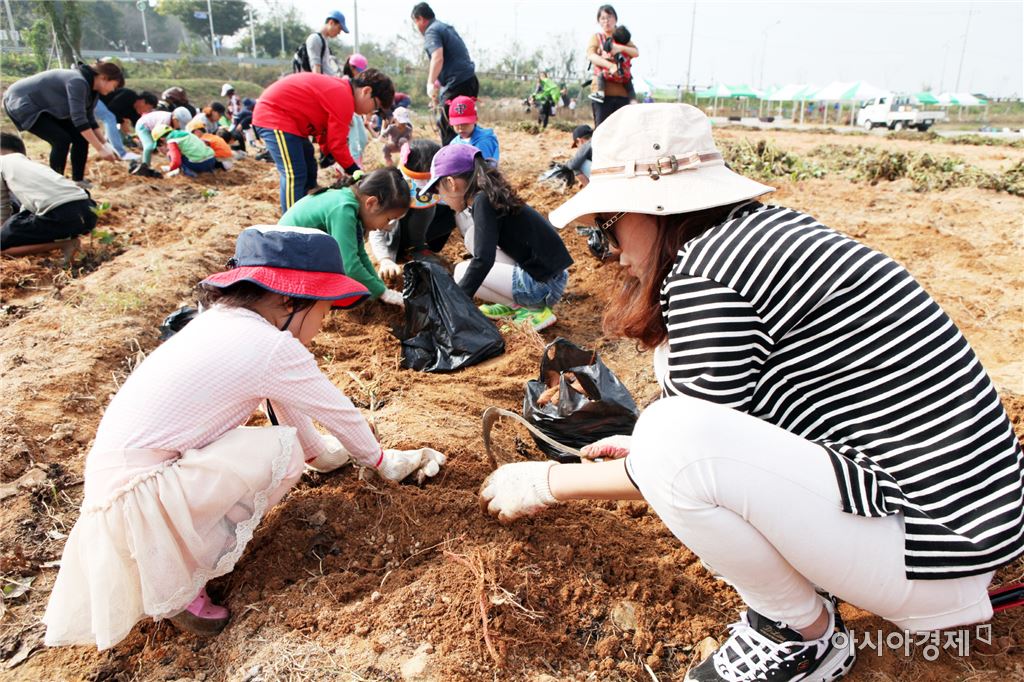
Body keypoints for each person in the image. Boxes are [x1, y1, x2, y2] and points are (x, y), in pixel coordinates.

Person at [480, 104, 1024, 682]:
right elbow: (753, 411)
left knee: (668, 433)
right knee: (666, 432)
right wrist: (648, 449)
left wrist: (545, 482)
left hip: (932, 555)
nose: (607, 249)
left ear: (654, 208)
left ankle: (800, 634)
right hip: (966, 522)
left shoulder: (710, 271)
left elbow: (686, 444)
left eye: (606, 226)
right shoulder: (752, 239)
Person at [41, 224, 446, 650]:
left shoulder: (223, 322)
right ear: (289, 299)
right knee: (277, 452)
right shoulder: (271, 347)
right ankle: (180, 578)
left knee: (284, 445)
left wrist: (322, 456)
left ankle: (173, 564)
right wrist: (382, 461)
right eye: (323, 312)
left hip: (116, 487)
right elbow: (338, 412)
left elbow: (282, 400)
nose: (322, 325)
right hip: (142, 496)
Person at [423, 144, 572, 331]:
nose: (442, 198)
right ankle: (514, 304)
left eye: (439, 191)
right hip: (550, 278)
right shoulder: (488, 195)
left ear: (452, 184)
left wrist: (455, 302)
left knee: (462, 270)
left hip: (541, 287)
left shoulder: (482, 201)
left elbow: (483, 260)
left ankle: (533, 310)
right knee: (472, 237)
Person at [252, 69, 395, 213]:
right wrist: (354, 170)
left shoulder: (342, 91)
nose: (371, 112)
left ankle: (305, 211)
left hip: (292, 124)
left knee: (309, 166)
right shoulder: (344, 97)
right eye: (376, 107)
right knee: (294, 173)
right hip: (274, 116)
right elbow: (337, 144)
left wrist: (327, 153)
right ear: (366, 91)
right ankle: (290, 225)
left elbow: (325, 131)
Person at [279, 168, 410, 308]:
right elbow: (350, 266)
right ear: (371, 203)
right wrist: (382, 293)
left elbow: (360, 254)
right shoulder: (343, 209)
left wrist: (380, 289)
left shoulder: (352, 205)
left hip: (299, 255)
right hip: (285, 263)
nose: (387, 227)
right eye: (389, 219)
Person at [2, 61, 123, 187]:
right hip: (23, 102)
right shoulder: (78, 81)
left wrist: (105, 145)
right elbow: (79, 119)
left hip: (46, 106)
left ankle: (78, 180)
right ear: (104, 78)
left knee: (80, 137)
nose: (113, 90)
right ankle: (56, 183)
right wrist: (100, 149)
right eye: (114, 86)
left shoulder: (93, 90)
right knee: (61, 139)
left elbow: (89, 118)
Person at [0, 132, 96, 258]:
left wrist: (3, 231)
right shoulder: (31, 164)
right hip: (89, 212)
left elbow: (2, 204)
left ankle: (67, 244)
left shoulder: (2, 163)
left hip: (60, 215)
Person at [370, 139, 449, 279]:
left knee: (448, 209)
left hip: (419, 231)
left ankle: (419, 246)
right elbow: (377, 231)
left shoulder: (438, 182)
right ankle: (408, 250)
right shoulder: (392, 191)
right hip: (394, 238)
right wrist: (385, 259)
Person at [411, 2, 478, 145]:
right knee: (467, 122)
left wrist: (429, 83)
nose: (417, 28)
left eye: (415, 23)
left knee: (448, 124)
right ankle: (474, 157)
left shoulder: (432, 31)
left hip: (457, 83)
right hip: (468, 80)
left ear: (420, 19)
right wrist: (438, 84)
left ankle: (451, 162)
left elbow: (437, 57)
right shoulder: (445, 28)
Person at [586, 5, 638, 127]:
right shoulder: (597, 38)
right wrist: (610, 66)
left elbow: (635, 52)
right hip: (602, 94)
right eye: (603, 18)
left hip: (622, 93)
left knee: (622, 131)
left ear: (615, 19)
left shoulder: (622, 37)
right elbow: (591, 56)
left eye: (609, 17)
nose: (606, 21)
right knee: (601, 130)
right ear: (598, 21)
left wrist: (619, 48)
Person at [589, 24, 636, 105]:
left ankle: (600, 93)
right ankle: (633, 100)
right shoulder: (626, 48)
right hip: (625, 75)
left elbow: (605, 53)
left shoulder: (612, 45)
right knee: (629, 85)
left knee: (600, 75)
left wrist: (600, 51)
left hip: (612, 74)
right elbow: (635, 53)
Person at [447, 96, 499, 164]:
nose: (461, 127)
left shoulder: (484, 141)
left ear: (476, 120)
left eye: (465, 123)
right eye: (456, 124)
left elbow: (485, 169)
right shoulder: (454, 143)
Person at [300, 10, 348, 76]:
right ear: (331, 23)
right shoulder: (315, 39)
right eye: (339, 28)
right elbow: (316, 70)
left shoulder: (323, 41)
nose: (339, 32)